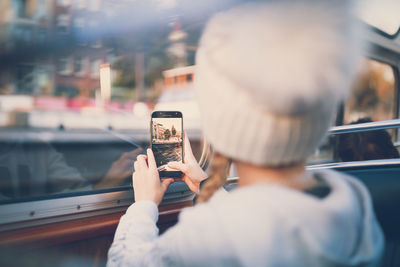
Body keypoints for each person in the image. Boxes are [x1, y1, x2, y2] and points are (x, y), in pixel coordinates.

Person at [107, 1, 384, 266]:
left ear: (220, 125)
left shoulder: (207, 240)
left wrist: (144, 205)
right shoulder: (355, 209)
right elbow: (264, 218)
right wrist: (206, 185)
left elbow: (128, 262)